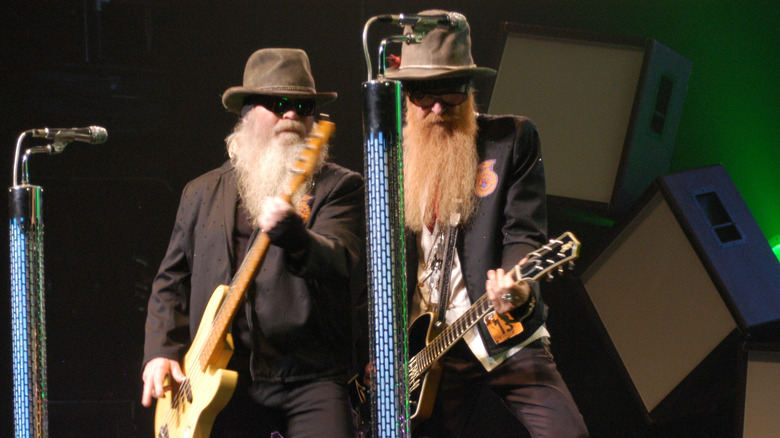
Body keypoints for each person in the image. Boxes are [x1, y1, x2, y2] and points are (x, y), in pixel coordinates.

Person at [384, 10, 589, 437]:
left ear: (470, 87)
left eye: (451, 91)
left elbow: (524, 234)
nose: (438, 107)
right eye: (424, 94)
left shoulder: (511, 140)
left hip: (498, 325)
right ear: (406, 94)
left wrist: (519, 288)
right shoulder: (391, 162)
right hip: (426, 349)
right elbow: (381, 270)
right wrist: (382, 351)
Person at [141, 48, 364, 437]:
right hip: (219, 381)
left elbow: (339, 260)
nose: (292, 114)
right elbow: (172, 282)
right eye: (279, 104)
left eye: (303, 105)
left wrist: (293, 234)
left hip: (308, 378)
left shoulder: (340, 186)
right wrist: (161, 353)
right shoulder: (201, 192)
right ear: (246, 113)